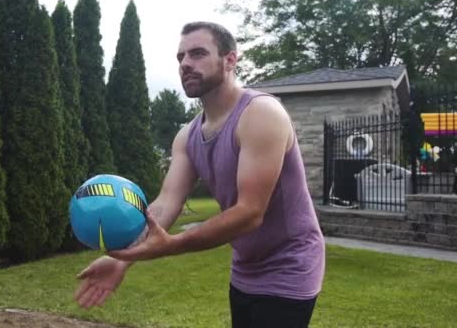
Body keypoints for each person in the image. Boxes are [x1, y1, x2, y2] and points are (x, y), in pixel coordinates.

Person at [74, 21, 325, 327]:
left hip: (291, 264)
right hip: (245, 266)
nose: (186, 64)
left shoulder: (260, 114)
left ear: (230, 60)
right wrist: (122, 260)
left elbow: (249, 213)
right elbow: (166, 203)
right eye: (181, 57)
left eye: (197, 54)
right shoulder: (187, 136)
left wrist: (172, 245)